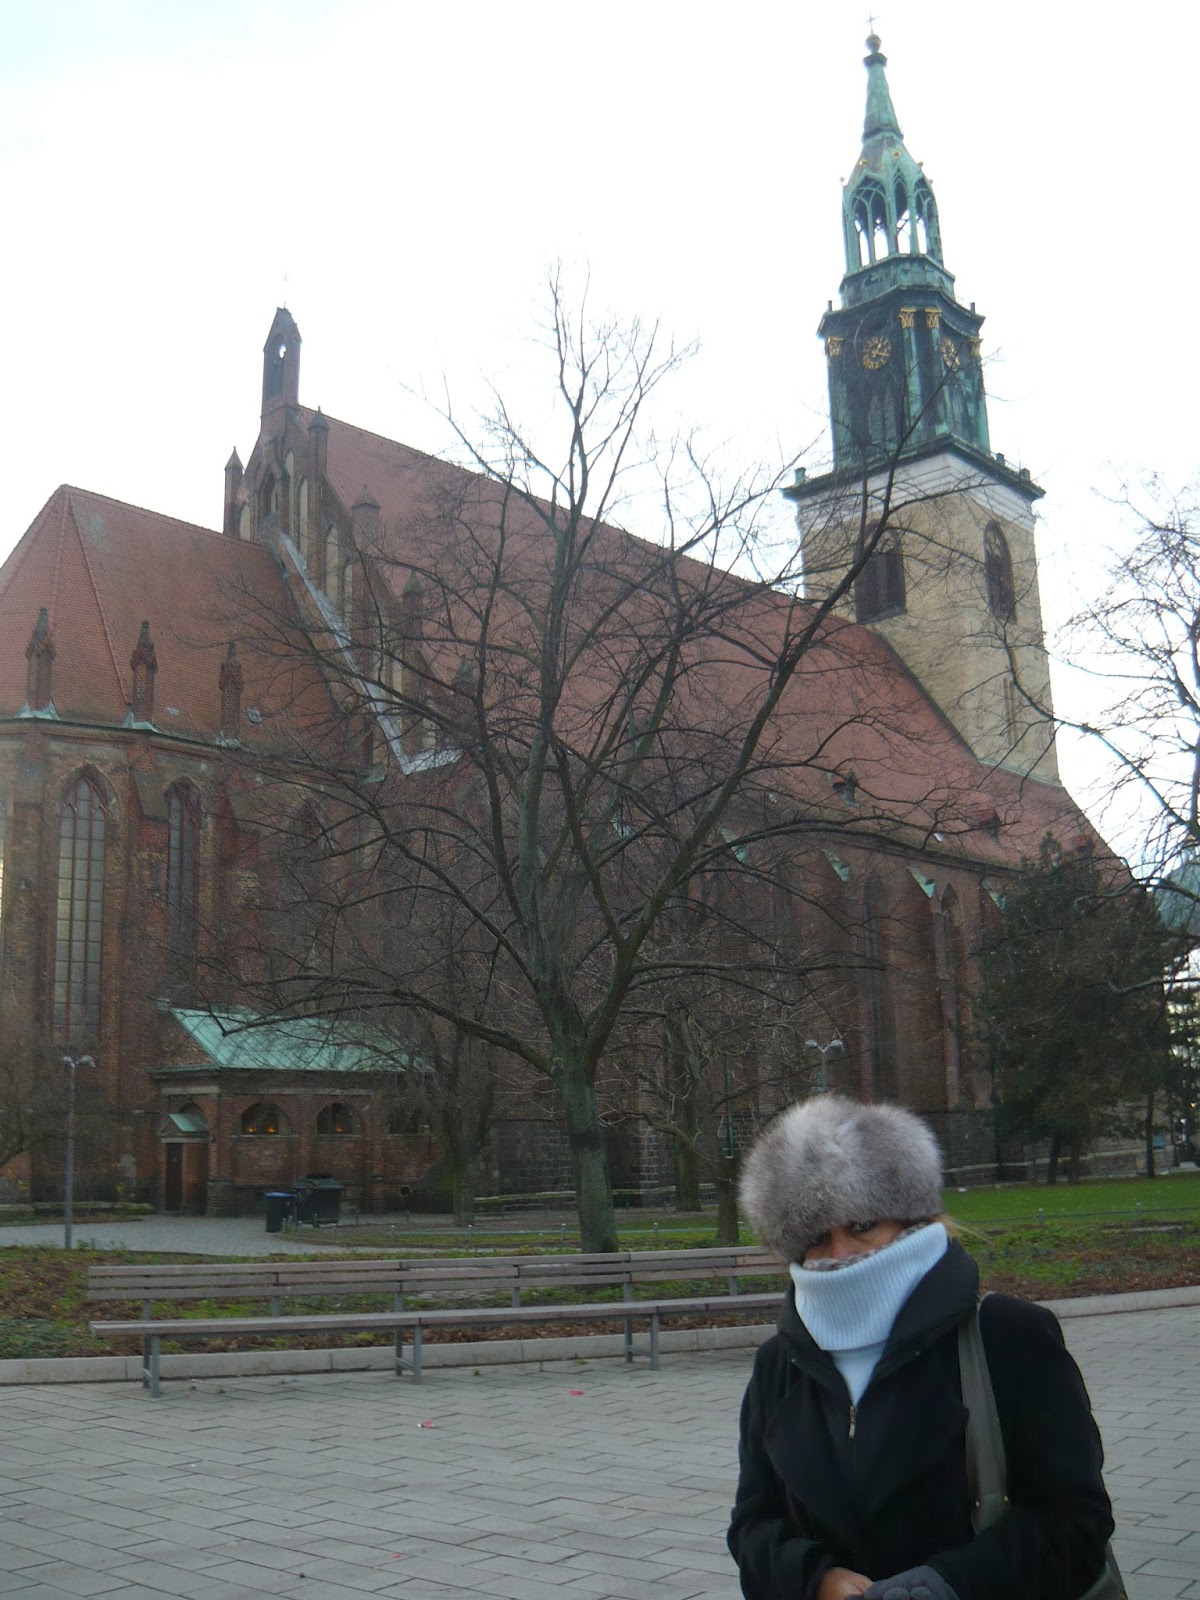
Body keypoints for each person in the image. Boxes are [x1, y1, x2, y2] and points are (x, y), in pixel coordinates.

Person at [727, 1096, 1113, 1600]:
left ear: (907, 1219)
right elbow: (753, 1524)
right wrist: (814, 1580)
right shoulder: (781, 1363)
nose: (840, 1254)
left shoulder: (1006, 1336)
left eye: (862, 1225)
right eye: (817, 1236)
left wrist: (950, 1584)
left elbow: (1075, 1522)